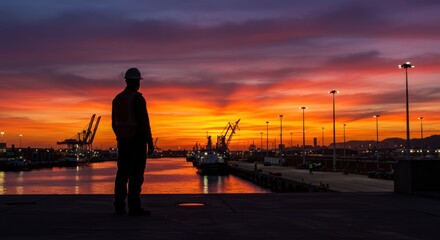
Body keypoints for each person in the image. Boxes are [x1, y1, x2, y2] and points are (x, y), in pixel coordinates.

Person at [112, 67, 154, 216]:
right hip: (136, 142)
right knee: (136, 176)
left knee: (122, 175)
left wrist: (121, 136)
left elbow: (114, 124)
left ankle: (119, 207)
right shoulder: (137, 98)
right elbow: (144, 122)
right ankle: (134, 208)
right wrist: (149, 141)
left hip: (123, 142)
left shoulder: (117, 99)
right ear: (137, 82)